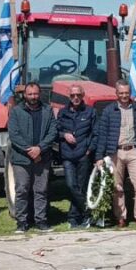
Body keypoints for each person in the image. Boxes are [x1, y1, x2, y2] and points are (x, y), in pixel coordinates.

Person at [94, 80, 136, 228]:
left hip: (135, 151)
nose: (124, 95)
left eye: (127, 92)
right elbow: (102, 135)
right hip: (116, 152)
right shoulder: (108, 111)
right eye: (121, 93)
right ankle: (120, 216)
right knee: (117, 187)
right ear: (116, 93)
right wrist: (99, 157)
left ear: (130, 92)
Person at [7, 82, 58, 233]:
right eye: (30, 94)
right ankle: (22, 222)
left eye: (35, 94)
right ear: (25, 95)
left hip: (42, 157)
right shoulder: (16, 111)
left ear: (39, 93)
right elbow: (14, 134)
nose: (33, 97)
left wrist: (40, 148)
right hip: (21, 158)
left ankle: (41, 221)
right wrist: (29, 150)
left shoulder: (47, 110)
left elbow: (53, 131)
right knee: (22, 189)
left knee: (41, 190)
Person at [56, 84, 97, 229]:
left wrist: (89, 149)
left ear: (82, 95)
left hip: (83, 155)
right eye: (73, 95)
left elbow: (95, 133)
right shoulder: (62, 112)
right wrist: (64, 135)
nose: (76, 98)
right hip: (68, 155)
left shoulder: (90, 112)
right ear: (69, 96)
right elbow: (55, 131)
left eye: (78, 95)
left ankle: (73, 218)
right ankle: (88, 211)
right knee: (70, 185)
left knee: (81, 186)